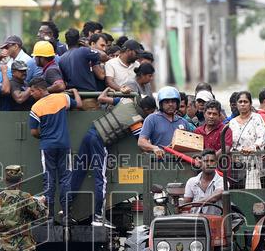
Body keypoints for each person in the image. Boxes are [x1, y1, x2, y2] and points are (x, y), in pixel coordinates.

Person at [68, 90, 154, 225]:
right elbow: (142, 144)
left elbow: (101, 98)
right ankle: (98, 216)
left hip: (90, 133)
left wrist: (109, 90)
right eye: (151, 112)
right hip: (99, 141)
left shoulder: (126, 101)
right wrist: (154, 148)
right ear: (146, 109)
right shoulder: (136, 120)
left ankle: (65, 211)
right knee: (100, 178)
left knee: (78, 173)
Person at [27, 78, 82, 219]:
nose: (31, 94)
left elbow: (33, 132)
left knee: (49, 179)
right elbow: (79, 104)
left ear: (39, 90)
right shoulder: (62, 98)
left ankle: (49, 214)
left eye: (32, 91)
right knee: (65, 179)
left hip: (47, 147)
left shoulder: (36, 107)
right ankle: (66, 213)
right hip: (64, 145)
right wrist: (75, 91)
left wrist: (44, 136)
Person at [138, 86, 193, 157]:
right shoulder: (151, 119)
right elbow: (141, 141)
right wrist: (154, 148)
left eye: (173, 101)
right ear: (161, 104)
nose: (170, 104)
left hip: (181, 163)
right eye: (167, 102)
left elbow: (190, 144)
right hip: (160, 162)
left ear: (177, 103)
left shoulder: (183, 122)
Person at [58, 28, 104, 101]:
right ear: (79, 40)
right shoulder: (84, 51)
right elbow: (103, 56)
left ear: (66, 42)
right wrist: (88, 46)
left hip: (73, 99)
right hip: (88, 96)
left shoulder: (61, 59)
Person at [182, 150, 225, 215]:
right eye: (205, 161)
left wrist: (192, 205)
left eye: (212, 161)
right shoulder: (191, 182)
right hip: (194, 221)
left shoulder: (222, 181)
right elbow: (185, 205)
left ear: (216, 164)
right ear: (201, 163)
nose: (208, 164)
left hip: (216, 222)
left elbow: (214, 198)